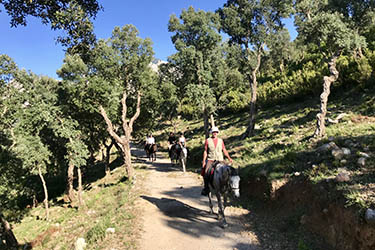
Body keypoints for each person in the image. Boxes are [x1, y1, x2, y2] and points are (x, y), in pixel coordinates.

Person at [201, 126, 232, 196]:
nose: (215, 133)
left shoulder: (221, 140)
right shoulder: (208, 140)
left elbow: (224, 150)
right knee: (206, 172)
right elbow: (205, 151)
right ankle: (206, 188)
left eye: (216, 132)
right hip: (211, 159)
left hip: (220, 159)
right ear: (211, 133)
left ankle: (229, 187)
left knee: (228, 171)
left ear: (217, 133)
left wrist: (229, 158)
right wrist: (203, 161)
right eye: (213, 132)